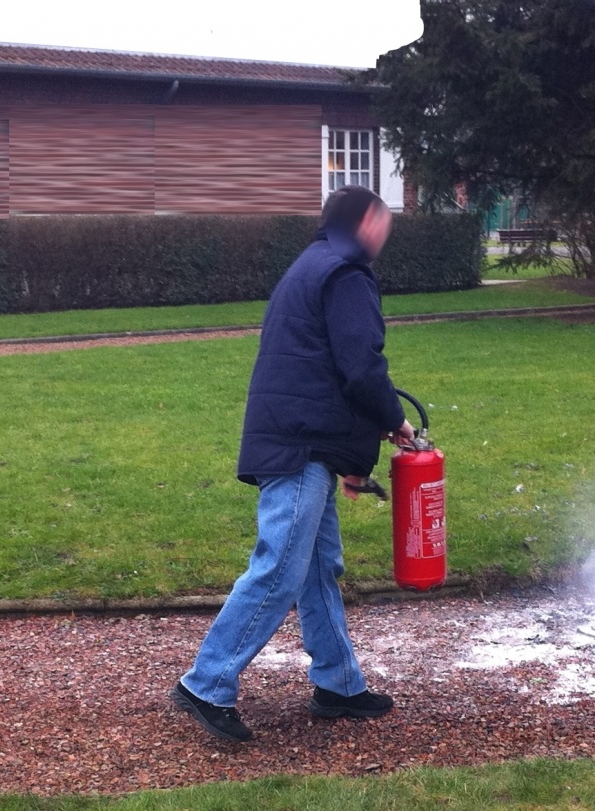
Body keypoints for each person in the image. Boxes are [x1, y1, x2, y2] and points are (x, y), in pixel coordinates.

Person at [171, 186, 416, 742]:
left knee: (315, 567)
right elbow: (360, 367)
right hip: (299, 444)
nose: (385, 235)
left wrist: (354, 461)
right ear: (364, 223)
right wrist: (393, 420)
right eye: (383, 223)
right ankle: (206, 682)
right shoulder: (346, 273)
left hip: (299, 434)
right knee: (281, 565)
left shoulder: (312, 264)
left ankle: (338, 684)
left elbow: (321, 368)